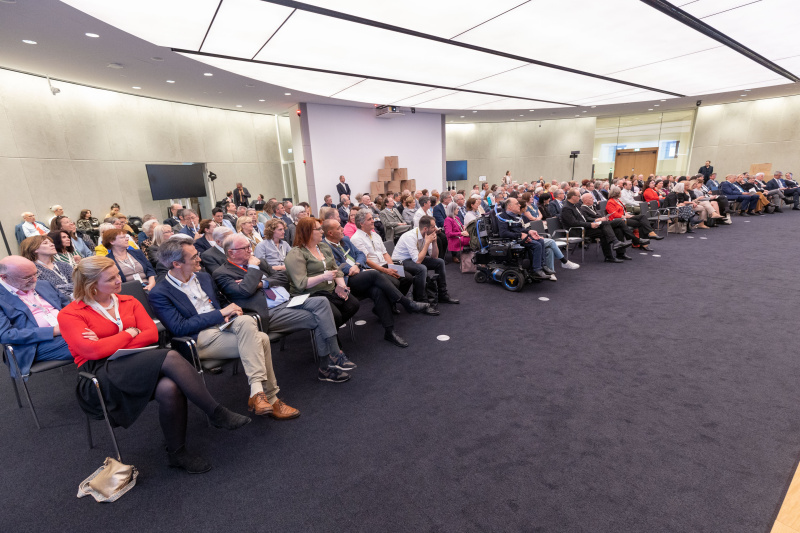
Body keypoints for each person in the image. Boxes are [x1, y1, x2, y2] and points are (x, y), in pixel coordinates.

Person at [58, 256, 251, 473]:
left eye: (117, 274)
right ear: (91, 286)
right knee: (169, 356)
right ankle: (216, 413)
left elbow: (150, 335)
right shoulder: (71, 314)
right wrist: (129, 333)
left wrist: (110, 342)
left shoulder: (128, 301)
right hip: (99, 375)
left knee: (170, 387)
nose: (119, 280)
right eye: (111, 279)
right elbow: (93, 352)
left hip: (136, 360)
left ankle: (177, 453)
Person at [149, 240, 299, 419]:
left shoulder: (203, 277)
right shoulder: (159, 293)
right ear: (176, 264)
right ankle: (271, 399)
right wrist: (220, 314)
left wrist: (232, 309)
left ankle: (257, 393)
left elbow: (220, 302)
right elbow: (179, 328)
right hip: (200, 338)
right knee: (262, 339)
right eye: (194, 256)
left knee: (245, 320)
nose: (200, 259)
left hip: (224, 326)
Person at [213, 233, 353, 383]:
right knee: (320, 317)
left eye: (249, 246)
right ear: (231, 253)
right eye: (245, 248)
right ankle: (326, 366)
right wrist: (253, 268)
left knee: (321, 301)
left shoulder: (260, 262)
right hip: (266, 312)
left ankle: (334, 353)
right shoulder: (222, 273)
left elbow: (283, 277)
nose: (250, 250)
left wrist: (262, 283)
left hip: (286, 301)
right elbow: (245, 291)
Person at [324, 217, 434, 348]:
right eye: (338, 228)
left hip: (362, 273)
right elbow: (336, 267)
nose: (342, 229)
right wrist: (353, 268)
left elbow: (360, 254)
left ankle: (389, 331)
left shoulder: (346, 240)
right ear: (330, 233)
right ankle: (407, 303)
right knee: (375, 274)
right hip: (348, 280)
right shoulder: (325, 248)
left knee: (378, 291)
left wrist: (358, 264)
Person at [0, 256, 74, 379]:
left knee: (105, 332)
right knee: (86, 345)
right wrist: (53, 331)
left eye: (35, 273)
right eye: (26, 277)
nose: (34, 279)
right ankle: (93, 386)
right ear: (4, 277)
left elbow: (69, 308)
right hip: (33, 344)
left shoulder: (43, 285)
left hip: (68, 329)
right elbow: (6, 334)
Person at [284, 218, 361, 328]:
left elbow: (337, 271)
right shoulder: (296, 254)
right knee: (335, 315)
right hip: (308, 295)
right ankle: (329, 336)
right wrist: (323, 277)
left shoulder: (323, 247)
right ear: (308, 232)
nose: (322, 231)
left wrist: (342, 287)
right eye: (319, 229)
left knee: (353, 304)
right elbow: (301, 284)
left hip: (328, 291)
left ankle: (327, 331)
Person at [391, 216, 459, 304]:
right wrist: (427, 243)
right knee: (421, 268)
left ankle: (443, 294)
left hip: (414, 258)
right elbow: (418, 261)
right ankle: (422, 300)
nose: (436, 229)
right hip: (400, 262)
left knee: (440, 262)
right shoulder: (410, 236)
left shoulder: (427, 234)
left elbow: (434, 256)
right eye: (433, 227)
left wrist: (434, 242)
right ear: (426, 228)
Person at [560, 188, 629, 263]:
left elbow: (583, 218)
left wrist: (594, 221)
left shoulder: (574, 205)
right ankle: (613, 250)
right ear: (573, 197)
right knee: (604, 231)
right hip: (577, 230)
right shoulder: (566, 208)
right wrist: (590, 224)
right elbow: (573, 223)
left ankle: (618, 250)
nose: (580, 198)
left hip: (584, 227)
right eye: (578, 196)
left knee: (616, 229)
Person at [496, 199, 551, 280]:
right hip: (512, 240)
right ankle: (536, 270)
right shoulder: (502, 217)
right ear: (510, 206)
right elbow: (503, 233)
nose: (519, 205)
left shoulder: (515, 216)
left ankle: (542, 265)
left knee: (540, 241)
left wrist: (529, 231)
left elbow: (520, 228)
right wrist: (520, 235)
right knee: (537, 245)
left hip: (519, 237)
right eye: (517, 204)